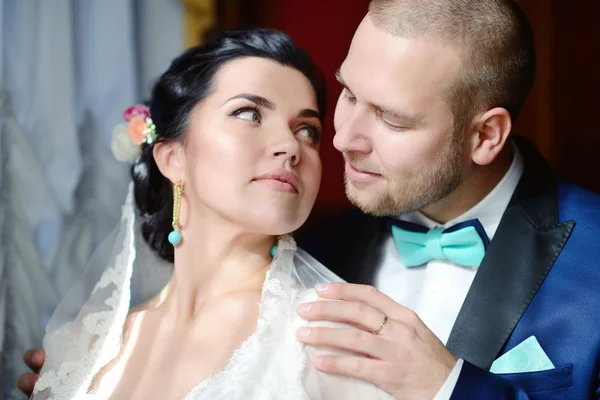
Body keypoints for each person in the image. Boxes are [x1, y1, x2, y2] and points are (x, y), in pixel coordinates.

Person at [20, 0, 600, 399]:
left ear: (484, 136)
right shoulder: (313, 246)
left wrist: (450, 388)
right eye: (347, 93)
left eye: (392, 120)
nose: (341, 139)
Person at [24, 28, 392, 399]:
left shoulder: (329, 340)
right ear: (173, 157)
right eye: (249, 113)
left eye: (307, 131)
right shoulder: (86, 349)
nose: (290, 147)